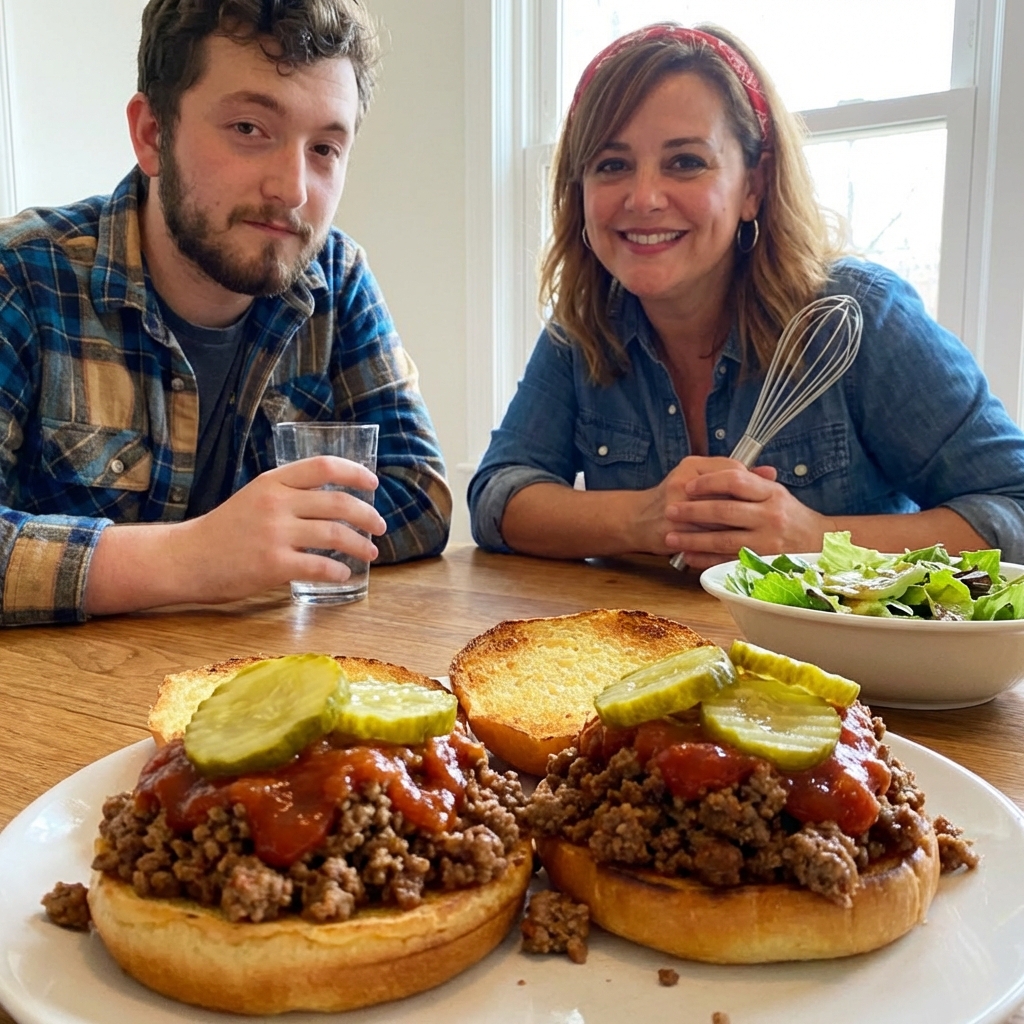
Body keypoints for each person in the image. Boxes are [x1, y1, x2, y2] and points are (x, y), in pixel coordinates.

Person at [469, 23, 1024, 569]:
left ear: (753, 187)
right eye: (612, 165)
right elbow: (499, 495)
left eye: (685, 161)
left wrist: (816, 538)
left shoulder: (861, 319)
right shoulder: (584, 328)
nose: (643, 198)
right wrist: (641, 518)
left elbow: (1013, 506)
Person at [0, 0, 452, 626]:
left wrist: (263, 540)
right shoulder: (20, 274)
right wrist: (190, 557)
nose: (293, 189)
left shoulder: (335, 277)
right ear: (153, 133)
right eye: (248, 129)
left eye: (324, 147)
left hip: (259, 671)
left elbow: (420, 496)